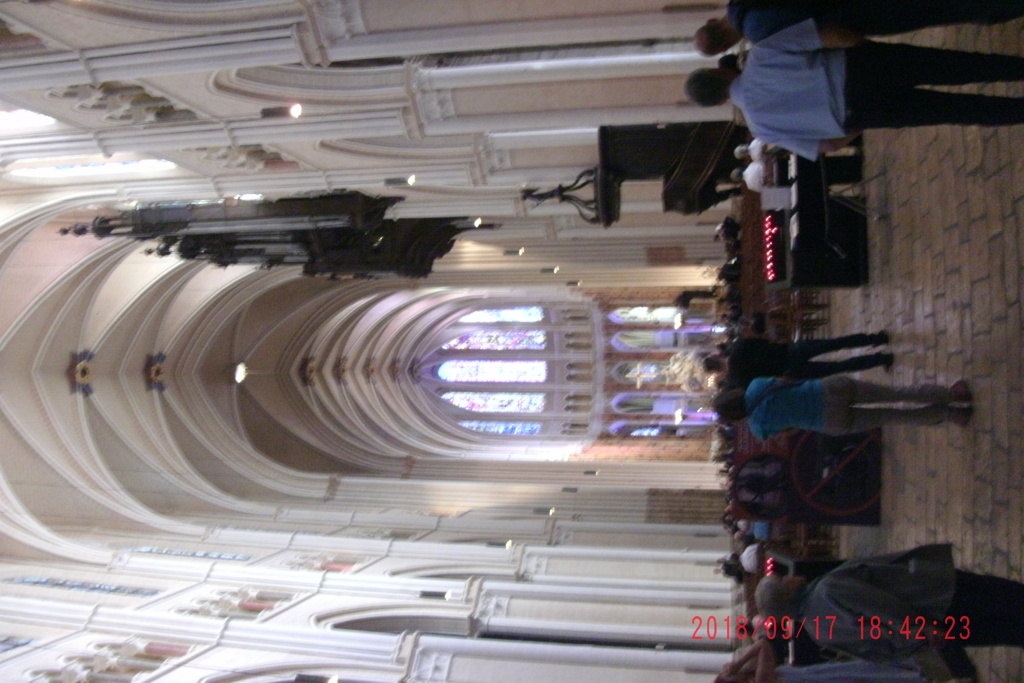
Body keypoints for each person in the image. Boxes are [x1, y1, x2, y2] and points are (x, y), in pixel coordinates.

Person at [685, 19, 1024, 160]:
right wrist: (863, 47)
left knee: (958, 112)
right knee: (960, 66)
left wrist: (860, 120)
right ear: (720, 72)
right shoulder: (761, 54)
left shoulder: (761, 128)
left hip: (858, 111)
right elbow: (824, 36)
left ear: (719, 101)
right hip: (863, 66)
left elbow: (828, 145)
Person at [754, 544, 1024, 662]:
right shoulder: (827, 589)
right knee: (1008, 598)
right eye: (784, 582)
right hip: (936, 599)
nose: (790, 578)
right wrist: (924, 628)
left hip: (933, 631)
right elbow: (881, 607)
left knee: (1005, 631)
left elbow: (870, 648)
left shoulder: (817, 631)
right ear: (787, 594)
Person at [695, 0, 1024, 56]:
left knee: (942, 9)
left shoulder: (760, 32)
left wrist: (865, 48)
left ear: (726, 47)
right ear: (712, 21)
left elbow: (826, 33)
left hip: (861, 13)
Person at [713, 376, 972, 439]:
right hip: (825, 391)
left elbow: (789, 430)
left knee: (894, 416)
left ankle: (952, 414)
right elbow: (787, 381)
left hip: (827, 421)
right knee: (895, 392)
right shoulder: (756, 386)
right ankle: (952, 393)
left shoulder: (758, 428)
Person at [705, 332, 892, 391]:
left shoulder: (738, 379)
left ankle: (881, 358)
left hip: (789, 370)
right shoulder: (738, 346)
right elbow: (763, 340)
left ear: (716, 372)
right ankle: (876, 338)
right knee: (835, 343)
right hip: (789, 350)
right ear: (716, 356)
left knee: (838, 367)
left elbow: (764, 384)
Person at [714, 638, 926, 683]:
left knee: (863, 672)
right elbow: (763, 644)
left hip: (822, 676)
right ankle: (914, 675)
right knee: (864, 674)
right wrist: (738, 663)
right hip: (826, 679)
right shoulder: (761, 680)